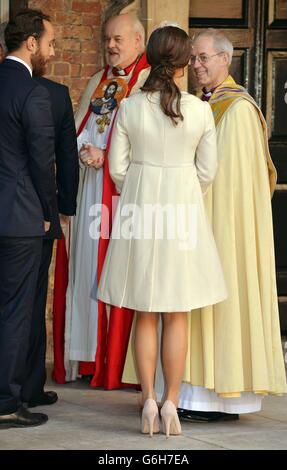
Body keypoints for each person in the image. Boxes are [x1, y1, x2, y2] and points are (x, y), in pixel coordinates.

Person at [97, 24, 227, 437]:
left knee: (145, 313)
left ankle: (149, 400)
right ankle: (172, 403)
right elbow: (208, 171)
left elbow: (117, 168)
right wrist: (185, 192)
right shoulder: (201, 110)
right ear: (185, 62)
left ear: (150, 57)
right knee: (178, 313)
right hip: (183, 215)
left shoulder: (131, 108)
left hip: (140, 213)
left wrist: (139, 186)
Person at [156, 28, 286, 421]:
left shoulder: (238, 110)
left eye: (203, 58)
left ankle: (220, 399)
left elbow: (228, 182)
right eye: (192, 59)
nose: (195, 65)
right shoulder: (201, 104)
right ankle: (189, 394)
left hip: (222, 230)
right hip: (198, 221)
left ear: (226, 60)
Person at [52, 13, 150, 387]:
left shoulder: (147, 82)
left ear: (139, 41)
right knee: (84, 273)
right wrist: (80, 151)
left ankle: (115, 363)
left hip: (123, 196)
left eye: (118, 39)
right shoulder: (98, 81)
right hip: (89, 189)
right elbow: (78, 128)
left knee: (113, 275)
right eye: (107, 39)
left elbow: (148, 141)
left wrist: (106, 156)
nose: (110, 45)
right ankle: (88, 359)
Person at [0, 9, 56, 427]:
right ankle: (6, 402)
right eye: (49, 42)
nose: (50, 50)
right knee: (16, 312)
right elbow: (42, 162)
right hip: (20, 217)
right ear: (31, 42)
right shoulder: (31, 92)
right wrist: (48, 214)